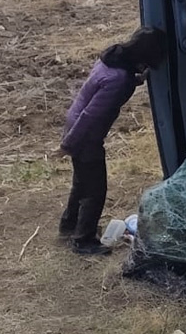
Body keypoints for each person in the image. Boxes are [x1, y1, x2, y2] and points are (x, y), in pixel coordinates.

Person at [58, 28, 167, 255]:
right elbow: (91, 116)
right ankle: (84, 240)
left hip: (75, 122)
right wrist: (69, 144)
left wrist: (137, 80)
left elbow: (110, 86)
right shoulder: (119, 79)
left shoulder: (113, 59)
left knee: (81, 183)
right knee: (95, 190)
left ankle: (69, 225)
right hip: (85, 135)